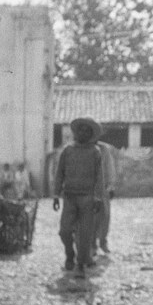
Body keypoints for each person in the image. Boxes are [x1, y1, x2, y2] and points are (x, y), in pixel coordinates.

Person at [52, 116, 104, 276]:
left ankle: (81, 263)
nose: (84, 133)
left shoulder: (95, 152)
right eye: (81, 129)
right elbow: (59, 173)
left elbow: (99, 177)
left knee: (85, 234)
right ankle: (69, 254)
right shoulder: (67, 151)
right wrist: (55, 194)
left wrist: (98, 198)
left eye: (88, 131)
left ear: (91, 135)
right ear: (76, 132)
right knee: (64, 231)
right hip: (70, 197)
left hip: (87, 198)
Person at [92, 136, 116, 256]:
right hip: (88, 189)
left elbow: (109, 167)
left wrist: (111, 185)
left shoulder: (104, 149)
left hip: (102, 188)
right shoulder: (82, 148)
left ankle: (103, 242)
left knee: (104, 216)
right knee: (89, 218)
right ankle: (92, 245)